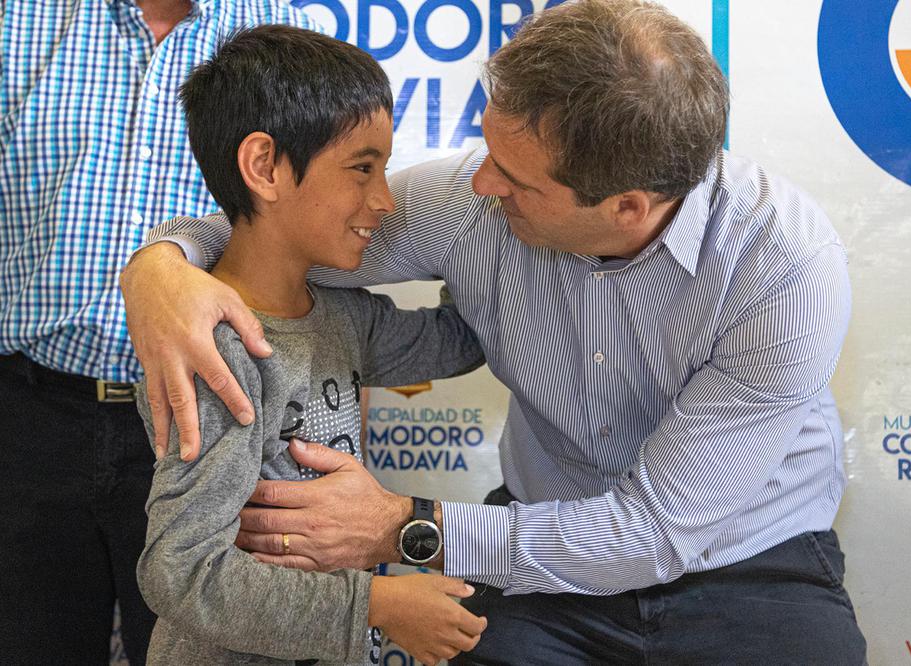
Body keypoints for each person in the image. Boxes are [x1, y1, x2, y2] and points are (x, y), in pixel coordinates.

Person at [120, 0, 868, 662]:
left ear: (627, 207)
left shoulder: (783, 269)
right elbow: (277, 228)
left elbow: (653, 535)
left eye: (516, 180)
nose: (482, 183)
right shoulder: (469, 201)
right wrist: (159, 267)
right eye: (488, 152)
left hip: (749, 563)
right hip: (538, 553)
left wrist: (401, 528)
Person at [134, 26, 486, 666]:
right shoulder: (218, 351)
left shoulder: (344, 318)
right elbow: (181, 571)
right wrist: (376, 606)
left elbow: (464, 339)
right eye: (362, 168)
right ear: (264, 167)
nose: (384, 200)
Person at [0, 2, 325, 663]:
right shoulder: (17, 21)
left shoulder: (288, 38)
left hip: (212, 425)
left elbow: (312, 230)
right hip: (29, 419)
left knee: (200, 650)